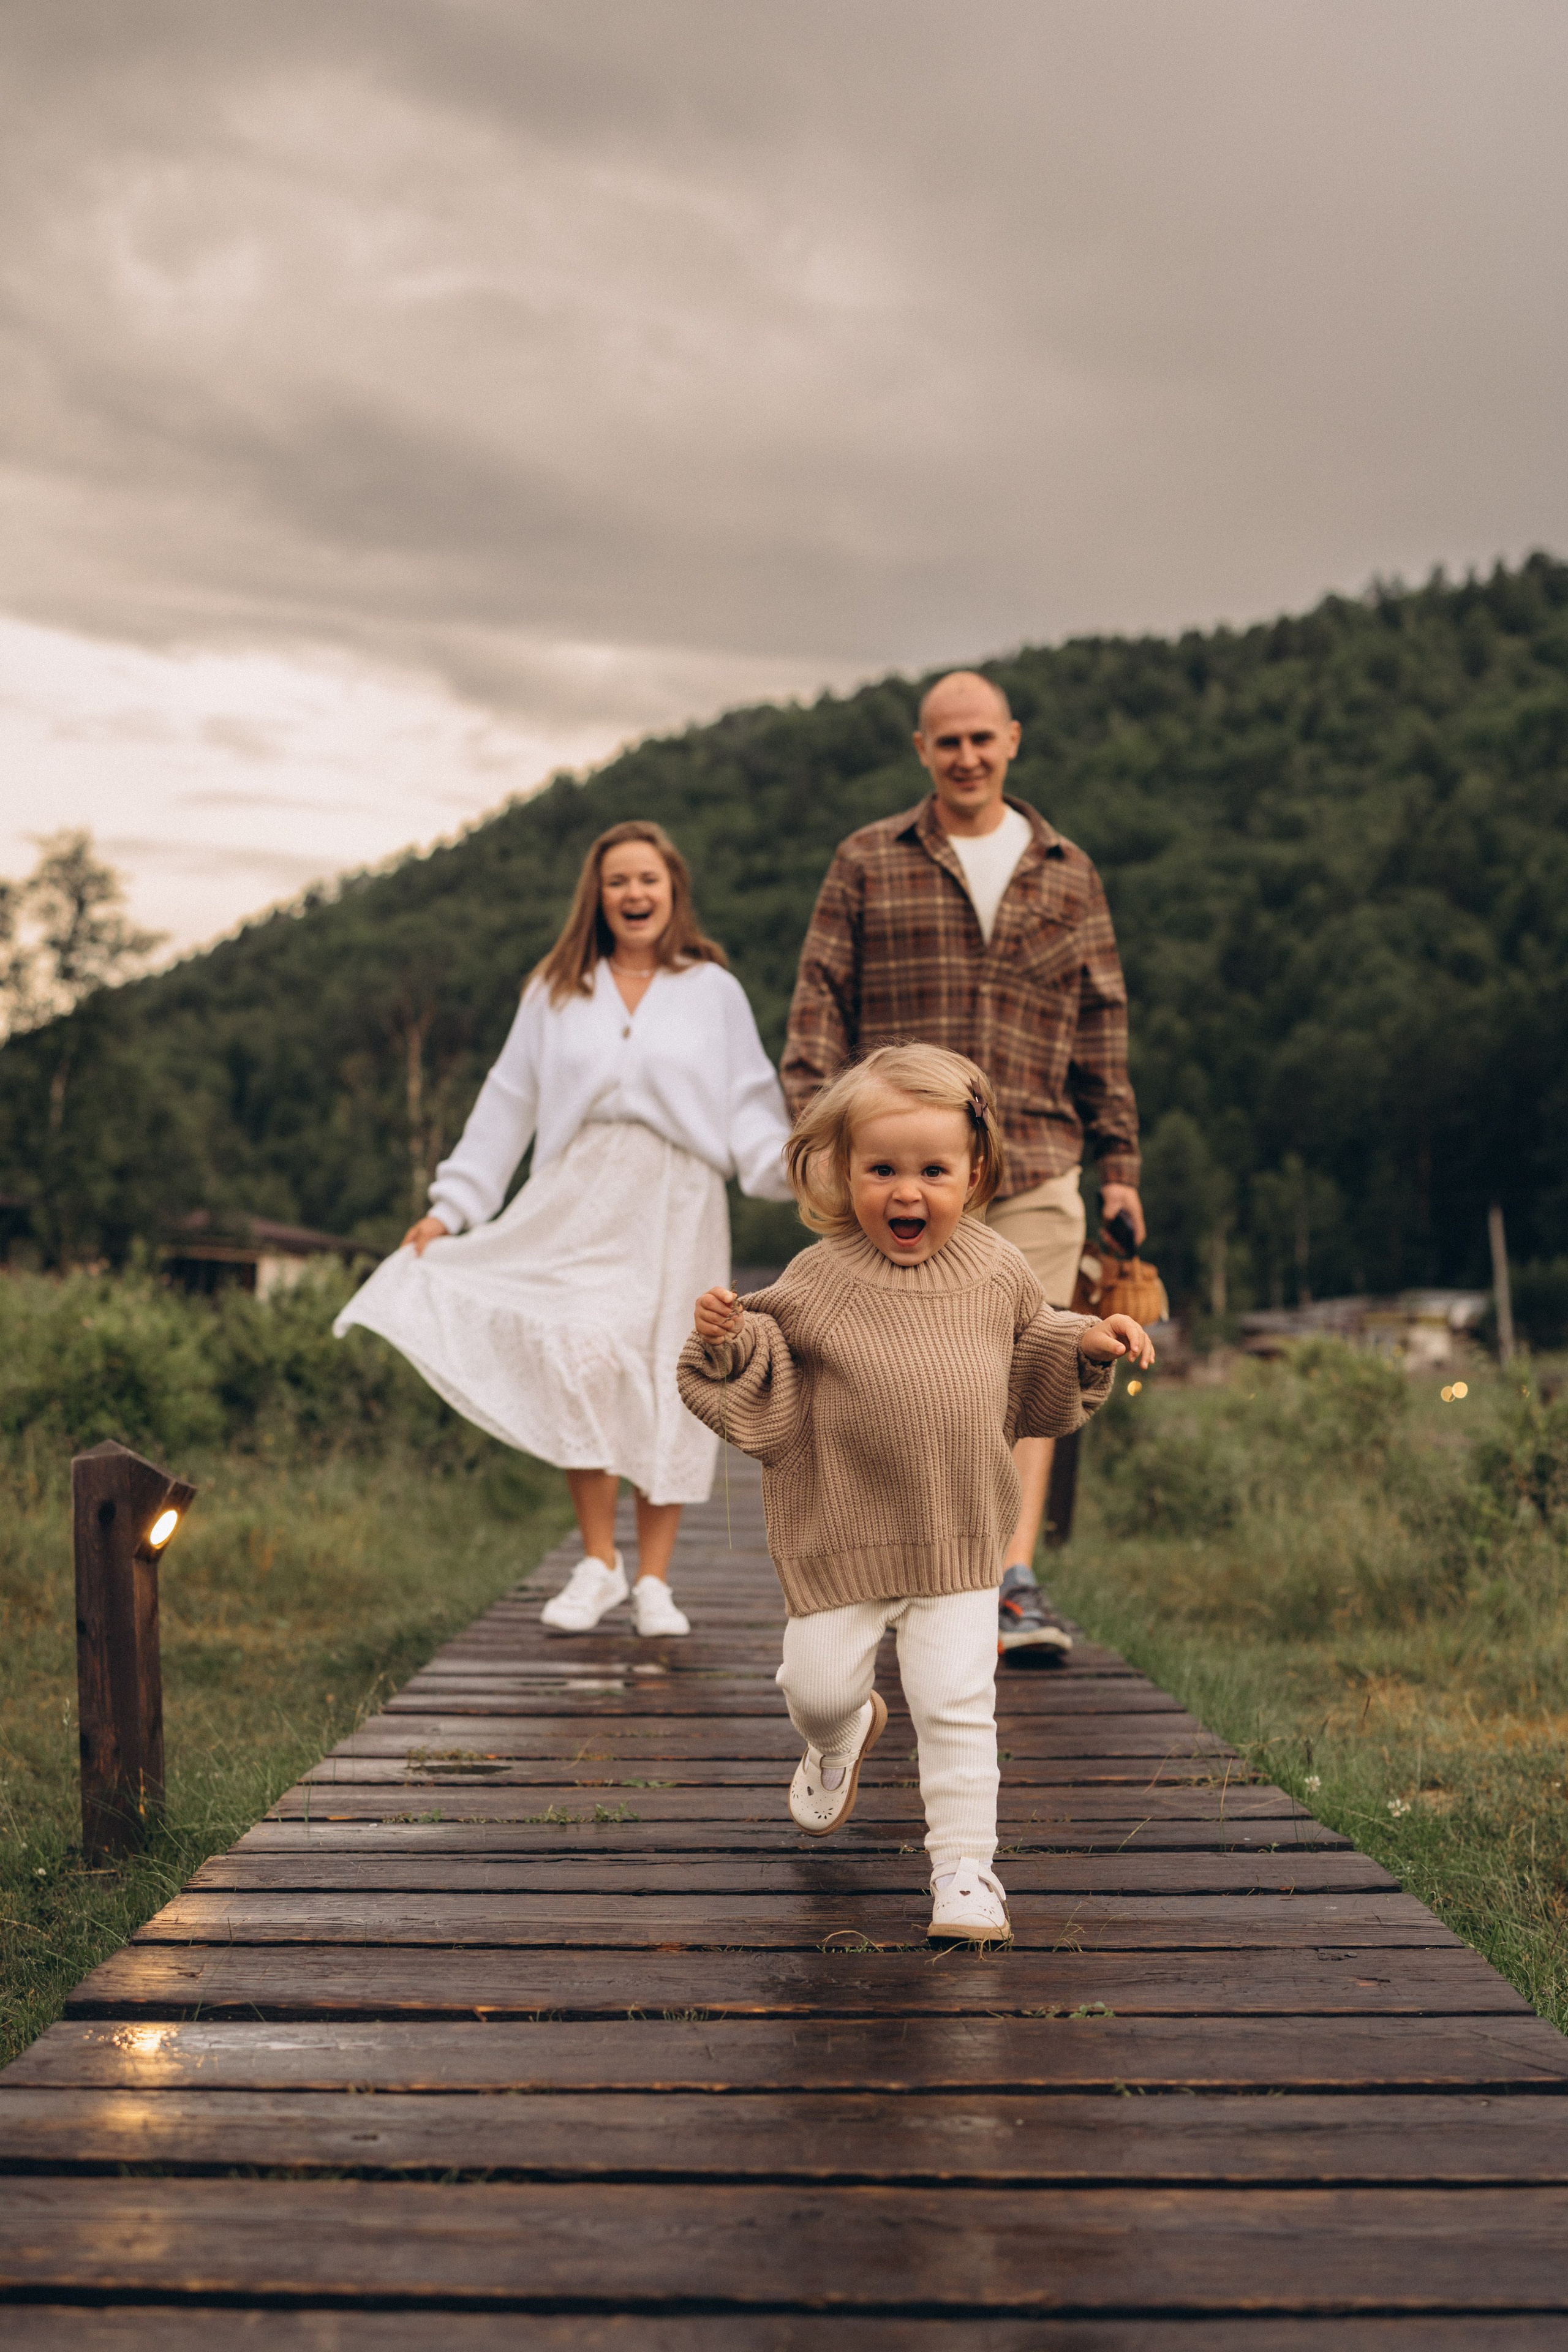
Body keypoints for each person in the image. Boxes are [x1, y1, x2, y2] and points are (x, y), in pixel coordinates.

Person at [678, 1044, 1153, 1942]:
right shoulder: (818, 1276)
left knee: (956, 1707)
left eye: (933, 1171)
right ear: (842, 1170)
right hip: (843, 1537)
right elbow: (765, 1361)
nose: (907, 1192)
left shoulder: (996, 1268)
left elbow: (1036, 1344)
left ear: (974, 1174)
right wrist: (725, 1341)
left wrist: (1090, 1341)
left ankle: (966, 1871)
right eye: (882, 1169)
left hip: (959, 1539)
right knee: (816, 1688)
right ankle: (841, 1735)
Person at [336, 818, 792, 1637]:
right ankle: (598, 1562)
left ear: (673, 890)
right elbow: (505, 1106)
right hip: (579, 1199)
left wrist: (795, 1172)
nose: (634, 893)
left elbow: (750, 1106)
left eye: (648, 879)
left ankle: (655, 1581)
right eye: (617, 880)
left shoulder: (712, 990)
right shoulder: (556, 990)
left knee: (671, 1373)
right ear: (598, 895)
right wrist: (452, 1208)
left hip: (679, 1203)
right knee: (580, 1354)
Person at [781, 669, 1144, 1666]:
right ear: (922, 750)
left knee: (1033, 1360)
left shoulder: (1069, 872)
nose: (968, 758)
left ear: (1013, 740)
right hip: (898, 1176)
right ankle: (898, 1566)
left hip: (1034, 1161)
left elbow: (1102, 1026)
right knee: (891, 1373)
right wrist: (821, 1150)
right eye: (949, 743)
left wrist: (1120, 1168)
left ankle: (1005, 1582)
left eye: (984, 739)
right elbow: (817, 1008)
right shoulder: (866, 860)